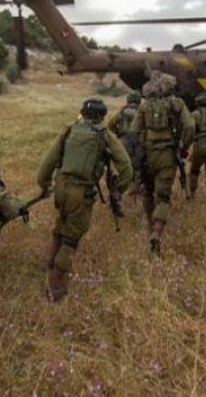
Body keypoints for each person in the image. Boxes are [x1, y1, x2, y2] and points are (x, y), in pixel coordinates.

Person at [36, 97, 132, 301]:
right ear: (101, 116)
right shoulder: (105, 135)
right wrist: (118, 191)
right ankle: (56, 287)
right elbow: (126, 168)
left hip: (61, 187)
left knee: (61, 225)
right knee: (71, 238)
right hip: (82, 191)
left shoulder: (69, 129)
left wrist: (44, 184)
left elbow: (49, 160)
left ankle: (50, 261)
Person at [130, 72, 194, 256]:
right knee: (163, 197)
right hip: (168, 155)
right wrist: (183, 146)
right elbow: (189, 126)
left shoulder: (144, 106)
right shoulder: (177, 104)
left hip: (148, 154)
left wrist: (136, 155)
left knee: (148, 193)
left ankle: (150, 225)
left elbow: (133, 132)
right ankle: (157, 234)